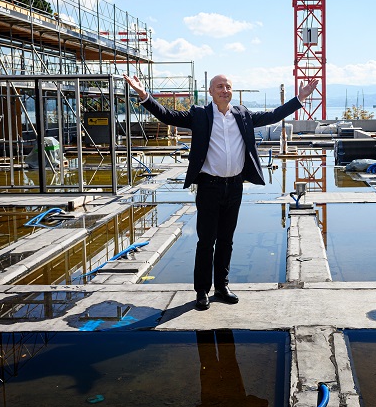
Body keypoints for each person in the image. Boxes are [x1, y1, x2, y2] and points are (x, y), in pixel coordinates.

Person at [122, 73, 318, 310]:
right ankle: (202, 291)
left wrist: (299, 98)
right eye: (219, 86)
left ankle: (222, 287)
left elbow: (273, 115)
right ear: (211, 91)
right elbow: (168, 116)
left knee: (226, 240)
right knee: (206, 241)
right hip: (209, 187)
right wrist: (144, 95)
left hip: (234, 186)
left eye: (228, 86)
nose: (224, 90)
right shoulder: (200, 115)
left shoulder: (242, 115)